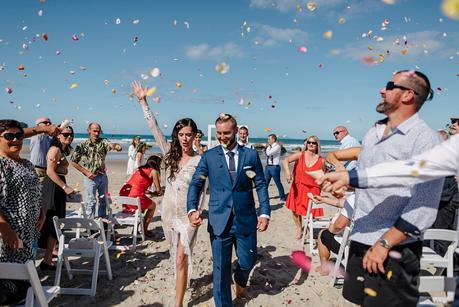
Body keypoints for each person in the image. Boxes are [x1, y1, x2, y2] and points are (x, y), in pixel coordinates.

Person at [318, 70, 444, 306]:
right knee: (360, 301)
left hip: (394, 249)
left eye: (389, 85)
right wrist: (346, 180)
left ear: (408, 95)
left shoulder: (426, 140)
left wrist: (384, 243)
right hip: (360, 236)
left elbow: (423, 207)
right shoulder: (374, 131)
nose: (381, 90)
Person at [187, 113, 270, 307]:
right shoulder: (208, 156)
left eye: (227, 133)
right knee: (221, 269)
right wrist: (192, 208)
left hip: (246, 219)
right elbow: (196, 183)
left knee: (248, 261)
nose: (222, 137)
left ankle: (240, 280)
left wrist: (265, 212)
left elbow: (261, 184)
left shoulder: (250, 155)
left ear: (235, 130)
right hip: (218, 220)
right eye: (219, 133)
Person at [132, 80, 202, 307]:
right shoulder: (168, 153)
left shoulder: (202, 160)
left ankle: (178, 303)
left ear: (194, 136)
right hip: (169, 213)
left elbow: (210, 186)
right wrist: (144, 102)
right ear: (177, 135)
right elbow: (154, 128)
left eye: (189, 134)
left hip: (189, 215)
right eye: (181, 134)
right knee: (176, 256)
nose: (185, 138)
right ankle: (182, 279)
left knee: (182, 256)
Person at [0, 119, 45, 305]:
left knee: (24, 277)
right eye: (9, 136)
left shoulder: (26, 164)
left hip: (29, 234)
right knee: (7, 282)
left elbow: (35, 191)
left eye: (19, 135)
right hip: (8, 236)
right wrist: (6, 230)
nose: (15, 140)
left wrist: (41, 212)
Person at [38, 126, 77, 270]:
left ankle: (48, 256)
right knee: (53, 221)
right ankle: (46, 259)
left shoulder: (60, 149)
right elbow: (49, 171)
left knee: (54, 221)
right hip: (53, 187)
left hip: (57, 186)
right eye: (65, 134)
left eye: (71, 134)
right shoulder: (55, 149)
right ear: (58, 135)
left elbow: (59, 169)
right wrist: (65, 187)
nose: (69, 136)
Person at [70, 123, 122, 218]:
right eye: (94, 131)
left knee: (103, 200)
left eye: (98, 131)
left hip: (102, 176)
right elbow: (73, 162)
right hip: (90, 178)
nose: (97, 133)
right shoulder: (82, 145)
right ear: (89, 130)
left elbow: (111, 145)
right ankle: (90, 225)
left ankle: (101, 221)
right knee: (91, 201)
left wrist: (116, 146)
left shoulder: (104, 142)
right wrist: (86, 172)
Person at [283, 135, 324, 240]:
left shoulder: (321, 160)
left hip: (313, 188)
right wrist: (288, 173)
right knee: (295, 210)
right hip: (298, 186)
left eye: (313, 143)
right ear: (306, 144)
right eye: (309, 142)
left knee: (311, 212)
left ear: (317, 145)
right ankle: (299, 228)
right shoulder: (300, 154)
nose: (311, 144)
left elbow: (325, 175)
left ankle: (309, 230)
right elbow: (285, 161)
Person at [120, 155, 163, 236]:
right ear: (157, 164)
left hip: (124, 194)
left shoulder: (140, 169)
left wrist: (149, 193)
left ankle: (136, 229)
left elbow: (137, 183)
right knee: (153, 206)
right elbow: (158, 190)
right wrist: (156, 193)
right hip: (134, 196)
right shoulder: (153, 171)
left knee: (143, 205)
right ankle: (145, 230)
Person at [315, 194, 354, 276]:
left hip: (350, 249)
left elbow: (338, 226)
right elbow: (341, 202)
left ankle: (324, 268)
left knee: (323, 234)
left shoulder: (354, 198)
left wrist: (331, 228)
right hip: (371, 246)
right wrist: (323, 199)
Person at [27, 117, 61, 181]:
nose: (48, 124)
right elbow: (37, 131)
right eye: (45, 122)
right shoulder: (37, 136)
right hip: (37, 169)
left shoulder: (48, 138)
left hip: (47, 169)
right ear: (37, 125)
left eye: (49, 123)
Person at [265, 134, 286, 201]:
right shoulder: (269, 147)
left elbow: (269, 153)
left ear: (273, 140)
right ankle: (265, 196)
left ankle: (282, 196)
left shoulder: (277, 147)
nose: (268, 140)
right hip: (268, 166)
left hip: (275, 167)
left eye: (269, 139)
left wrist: (267, 148)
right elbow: (267, 152)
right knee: (265, 183)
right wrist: (267, 148)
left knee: (278, 182)